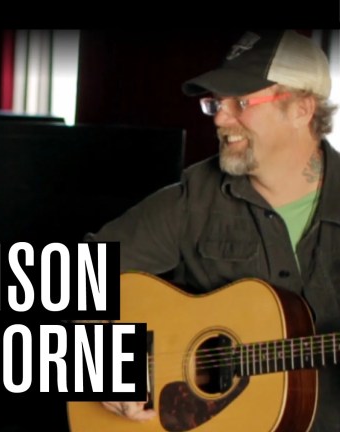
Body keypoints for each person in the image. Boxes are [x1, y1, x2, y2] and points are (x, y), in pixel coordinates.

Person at [86, 30, 339, 431]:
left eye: (241, 102)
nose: (220, 118)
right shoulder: (192, 201)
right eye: (217, 103)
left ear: (301, 109)